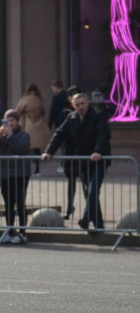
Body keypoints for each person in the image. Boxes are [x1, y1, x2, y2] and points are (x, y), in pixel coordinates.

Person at [42, 91, 111, 232]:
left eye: (83, 103)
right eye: (77, 104)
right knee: (89, 192)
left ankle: (86, 218)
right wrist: (49, 151)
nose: (81, 107)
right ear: (73, 105)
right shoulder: (71, 117)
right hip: (84, 161)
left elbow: (103, 134)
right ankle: (99, 225)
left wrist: (98, 151)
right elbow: (59, 134)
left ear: (88, 103)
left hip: (99, 160)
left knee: (92, 189)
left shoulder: (97, 115)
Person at [0, 109, 32, 244]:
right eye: (7, 121)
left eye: (12, 120)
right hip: (5, 174)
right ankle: (10, 231)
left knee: (20, 203)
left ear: (17, 122)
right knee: (8, 204)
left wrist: (10, 135)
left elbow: (20, 148)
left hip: (20, 174)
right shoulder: (3, 136)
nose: (10, 123)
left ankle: (23, 232)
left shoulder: (23, 135)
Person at [16, 84, 50, 175]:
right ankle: (38, 168)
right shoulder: (39, 99)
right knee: (36, 149)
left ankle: (26, 169)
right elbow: (43, 111)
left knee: (26, 146)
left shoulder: (25, 99)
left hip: (28, 123)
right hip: (39, 124)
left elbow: (18, 110)